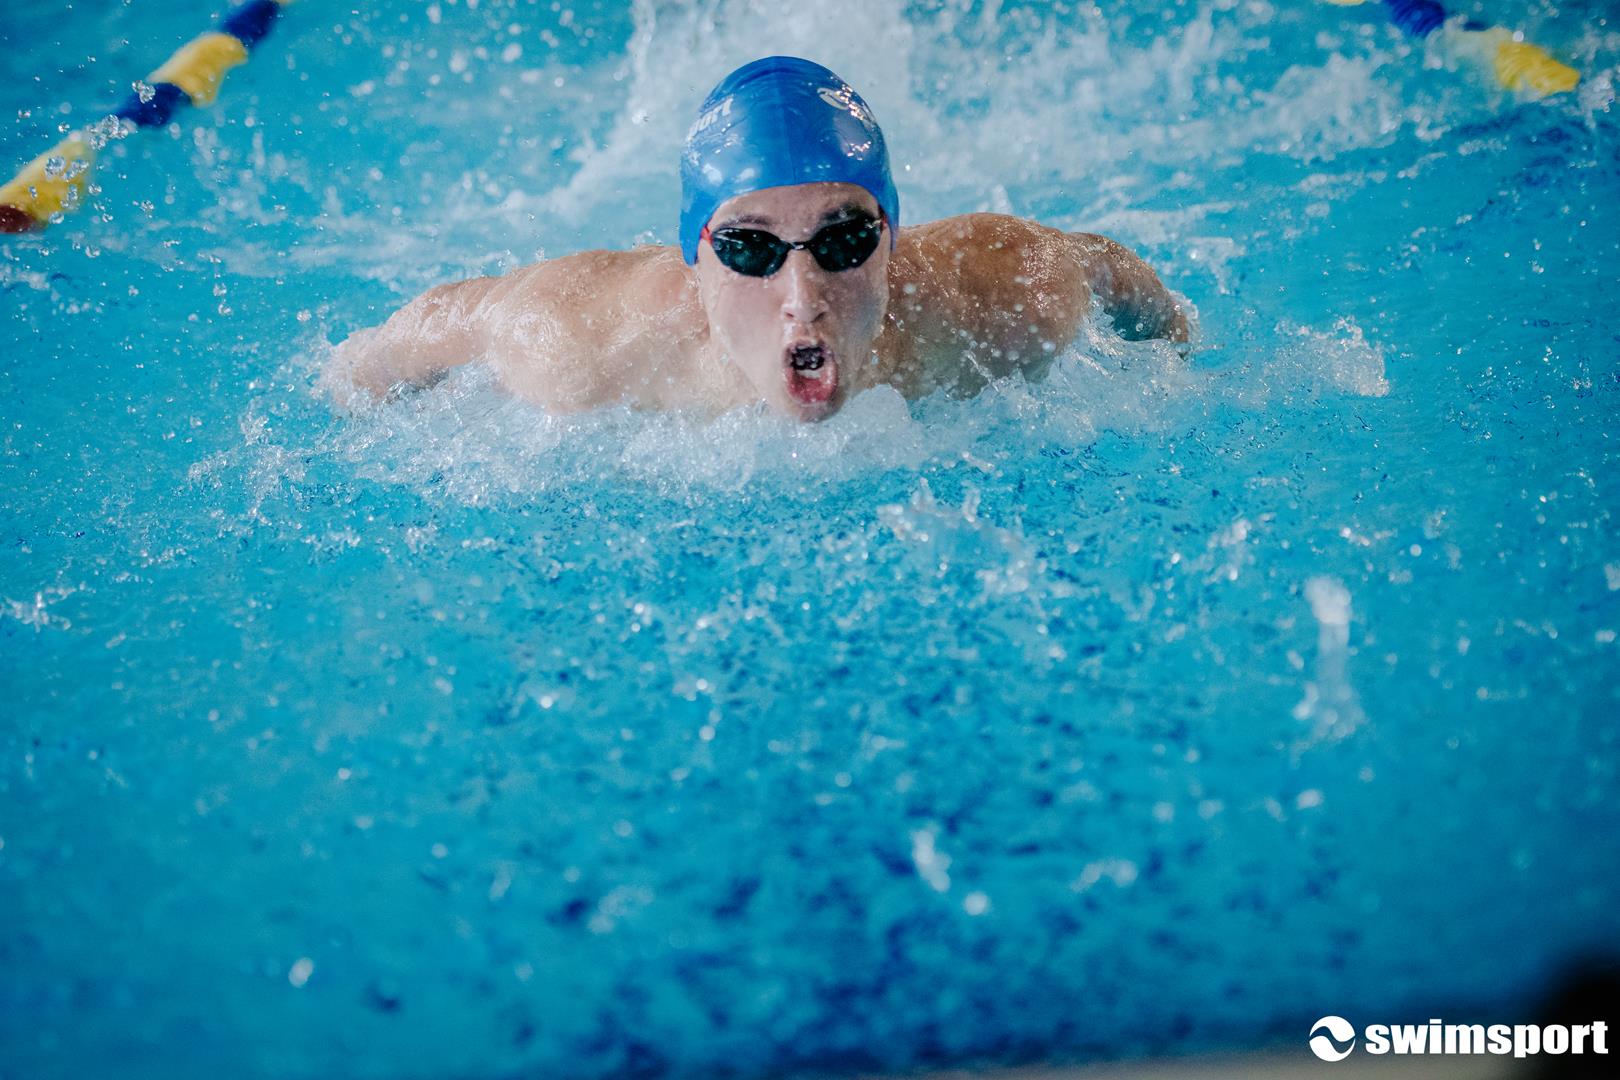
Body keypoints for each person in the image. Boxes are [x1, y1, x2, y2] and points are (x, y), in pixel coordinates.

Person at [324, 56, 1192, 422]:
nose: (802, 298)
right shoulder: (579, 340)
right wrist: (350, 392)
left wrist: (1179, 351)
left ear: (892, 238)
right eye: (749, 250)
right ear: (696, 257)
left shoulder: (1001, 299)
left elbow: (1109, 270)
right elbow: (405, 342)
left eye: (843, 241)